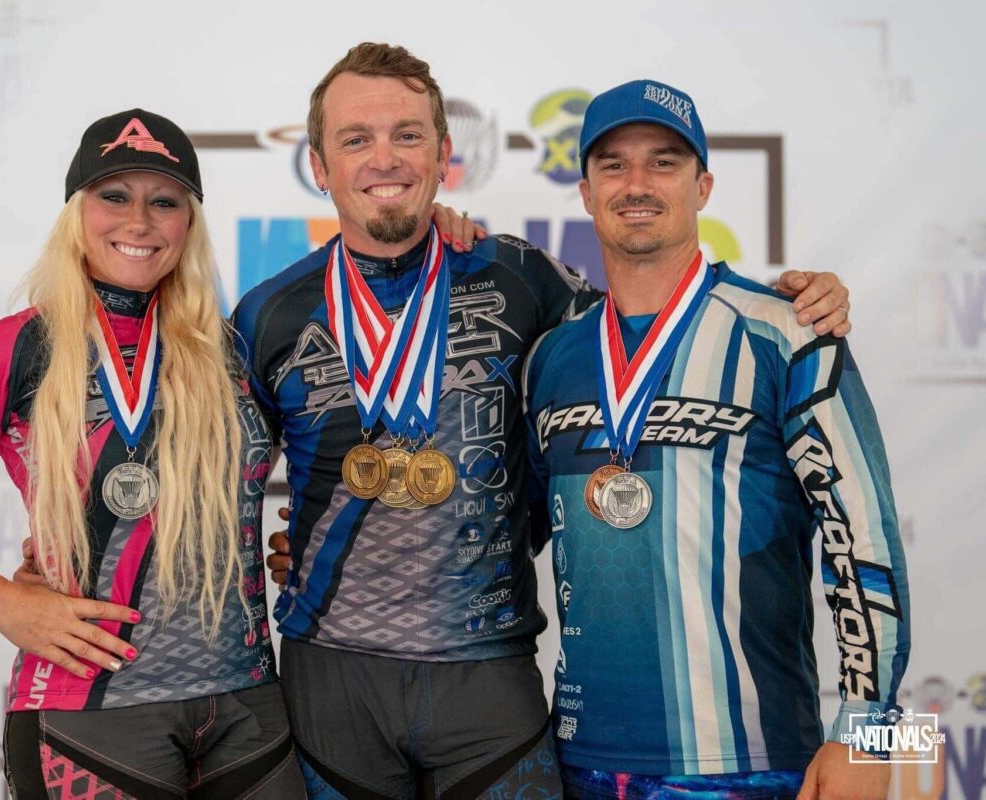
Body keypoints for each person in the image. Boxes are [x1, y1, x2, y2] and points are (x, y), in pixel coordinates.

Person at [240, 43, 853, 799]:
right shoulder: (265, 312)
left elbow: (660, 321)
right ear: (319, 163)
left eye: (407, 135)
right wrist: (46, 589)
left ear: (443, 155)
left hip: (507, 684)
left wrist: (882, 739)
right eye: (355, 139)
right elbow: (208, 482)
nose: (384, 157)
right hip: (363, 689)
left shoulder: (529, 280)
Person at [0, 109, 306, 798]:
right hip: (91, 722)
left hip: (250, 713)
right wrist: (1, 603)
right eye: (114, 195)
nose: (138, 221)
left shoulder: (238, 351)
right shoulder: (9, 349)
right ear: (75, 212)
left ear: (188, 225)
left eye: (163, 201)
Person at [522, 80, 909, 799]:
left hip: (751, 763)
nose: (637, 183)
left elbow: (865, 540)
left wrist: (871, 735)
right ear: (584, 191)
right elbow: (512, 534)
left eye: (664, 162)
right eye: (613, 164)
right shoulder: (553, 358)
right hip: (577, 761)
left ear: (702, 186)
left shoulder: (788, 332)